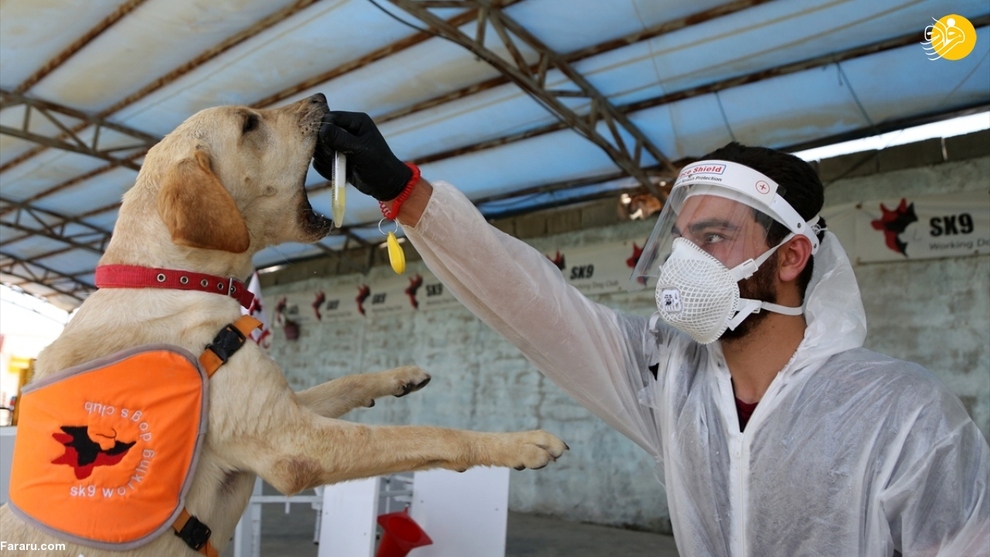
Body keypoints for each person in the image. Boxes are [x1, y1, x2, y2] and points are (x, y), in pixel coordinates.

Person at [313, 111, 990, 556]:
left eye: (715, 237)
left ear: (790, 257)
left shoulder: (903, 415)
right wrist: (407, 193)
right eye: (684, 238)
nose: (685, 261)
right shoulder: (674, 381)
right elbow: (536, 304)